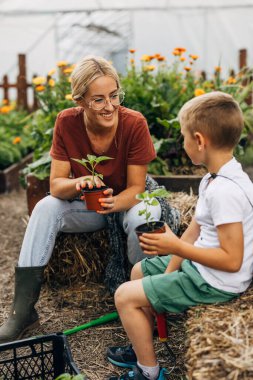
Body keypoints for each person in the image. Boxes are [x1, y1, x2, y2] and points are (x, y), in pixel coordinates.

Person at [0, 56, 179, 343]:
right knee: (45, 207)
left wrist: (114, 203)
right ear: (80, 100)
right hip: (91, 206)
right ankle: (23, 313)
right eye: (98, 100)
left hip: (126, 202)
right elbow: (57, 186)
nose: (109, 106)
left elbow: (135, 188)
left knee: (148, 211)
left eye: (114, 96)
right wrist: (79, 182)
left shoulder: (134, 124)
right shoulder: (66, 122)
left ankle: (143, 301)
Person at [106, 91, 253, 380]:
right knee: (139, 271)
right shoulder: (215, 178)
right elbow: (193, 232)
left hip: (216, 282)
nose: (182, 143)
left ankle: (149, 372)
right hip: (201, 269)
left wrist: (174, 247)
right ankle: (143, 344)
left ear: (199, 141)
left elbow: (232, 260)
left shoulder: (226, 192)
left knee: (124, 296)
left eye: (184, 136)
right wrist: (171, 264)